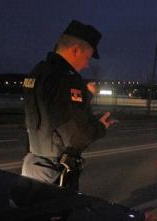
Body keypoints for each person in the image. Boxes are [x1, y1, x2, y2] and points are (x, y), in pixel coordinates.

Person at [21, 20, 115, 191]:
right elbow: (76, 136)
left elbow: (54, 108)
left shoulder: (38, 71)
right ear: (75, 50)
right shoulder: (67, 79)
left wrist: (86, 95)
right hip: (54, 172)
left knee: (30, 215)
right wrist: (100, 126)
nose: (87, 64)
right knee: (53, 216)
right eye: (87, 57)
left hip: (32, 164)